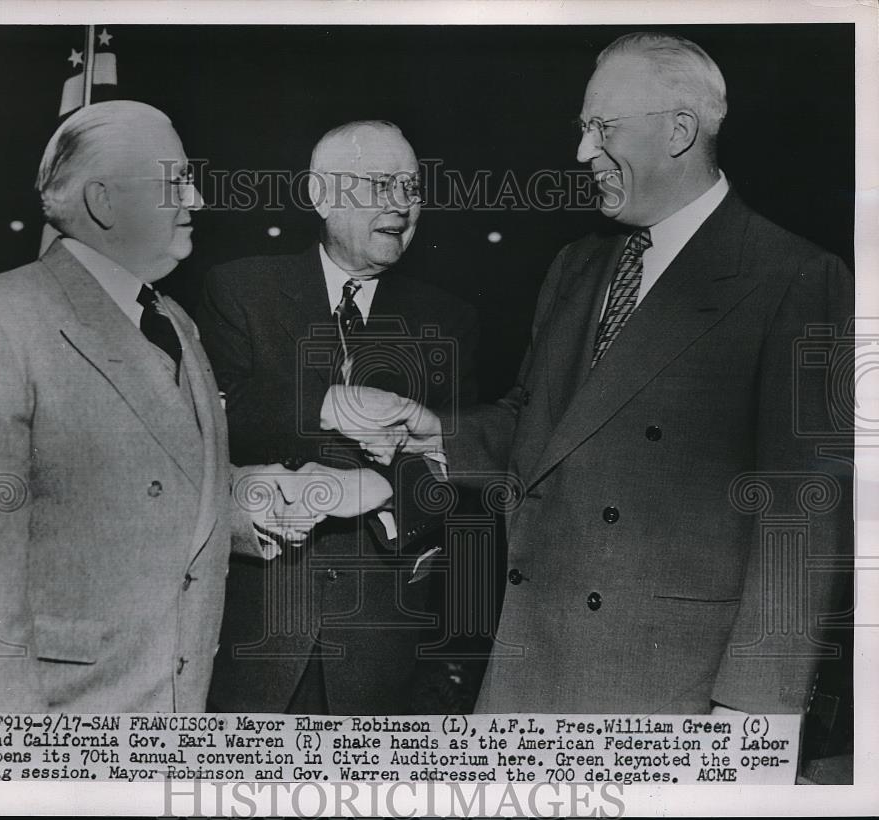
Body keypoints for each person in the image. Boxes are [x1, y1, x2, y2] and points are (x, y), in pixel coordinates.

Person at [322, 34, 853, 715]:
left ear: (679, 131)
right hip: (527, 658)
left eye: (602, 129)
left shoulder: (795, 278)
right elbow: (539, 422)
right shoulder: (577, 266)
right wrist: (430, 433)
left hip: (670, 686)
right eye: (582, 129)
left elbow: (803, 517)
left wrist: (755, 715)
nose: (581, 152)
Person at [0, 101, 388, 779]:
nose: (196, 196)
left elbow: (157, 491)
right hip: (59, 739)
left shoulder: (173, 323)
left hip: (171, 727)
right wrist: (11, 772)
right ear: (104, 201)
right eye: (175, 180)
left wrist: (274, 500)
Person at [197, 120, 480, 714]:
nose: (401, 205)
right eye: (380, 185)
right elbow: (211, 419)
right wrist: (330, 407)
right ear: (322, 197)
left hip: (382, 654)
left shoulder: (449, 320)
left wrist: (378, 490)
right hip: (253, 635)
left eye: (412, 186)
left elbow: (465, 460)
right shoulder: (239, 290)